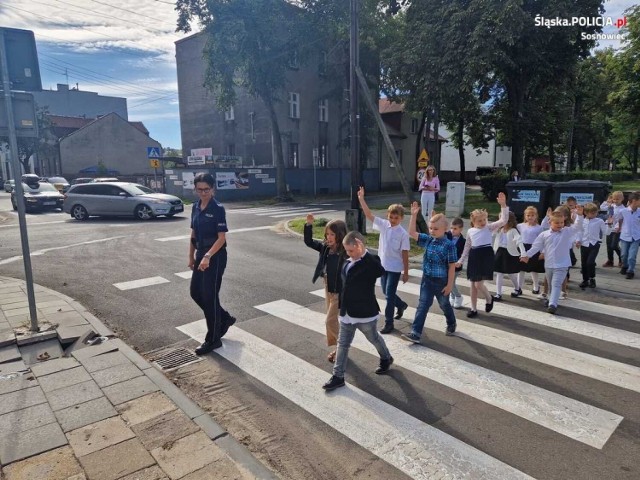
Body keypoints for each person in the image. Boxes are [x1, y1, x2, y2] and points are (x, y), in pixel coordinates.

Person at [322, 232, 394, 391]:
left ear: (361, 246)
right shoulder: (347, 262)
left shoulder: (371, 261)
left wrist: (365, 254)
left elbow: (379, 271)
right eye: (347, 250)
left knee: (374, 338)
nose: (349, 254)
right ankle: (338, 376)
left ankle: (386, 358)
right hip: (347, 313)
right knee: (342, 344)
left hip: (365, 313)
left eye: (352, 251)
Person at [189, 172, 235, 355]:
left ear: (212, 188)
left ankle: (213, 338)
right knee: (195, 293)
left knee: (209, 296)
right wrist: (191, 256)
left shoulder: (217, 208)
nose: (203, 193)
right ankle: (224, 318)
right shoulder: (195, 207)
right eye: (199, 190)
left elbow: (221, 238)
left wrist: (208, 256)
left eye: (206, 189)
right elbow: (192, 235)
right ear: (195, 189)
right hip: (201, 254)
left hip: (215, 256)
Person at [402, 205, 458, 343]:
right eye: (431, 228)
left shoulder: (449, 245)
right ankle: (415, 333)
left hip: (441, 281)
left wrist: (450, 285)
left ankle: (451, 323)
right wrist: (414, 215)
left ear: (445, 229)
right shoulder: (428, 240)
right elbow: (412, 232)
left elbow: (452, 267)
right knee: (423, 305)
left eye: (436, 229)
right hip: (427, 280)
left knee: (444, 305)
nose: (432, 231)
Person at [357, 187, 409, 334]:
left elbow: (405, 253)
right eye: (391, 217)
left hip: (395, 268)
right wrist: (361, 199)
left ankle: (389, 323)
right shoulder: (384, 225)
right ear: (388, 216)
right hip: (382, 266)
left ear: (401, 218)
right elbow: (368, 214)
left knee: (389, 296)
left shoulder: (403, 234)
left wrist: (405, 271)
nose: (393, 220)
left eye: (396, 218)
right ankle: (402, 305)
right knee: (387, 293)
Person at [521, 206, 584, 315]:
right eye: (557, 223)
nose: (560, 225)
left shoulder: (566, 231)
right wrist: (527, 255)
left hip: (562, 264)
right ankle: (551, 299)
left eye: (561, 223)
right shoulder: (544, 234)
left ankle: (552, 305)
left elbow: (577, 226)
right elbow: (536, 246)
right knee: (550, 284)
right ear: (550, 222)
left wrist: (579, 215)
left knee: (556, 284)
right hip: (549, 264)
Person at [456, 192, 509, 318]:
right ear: (473, 221)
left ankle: (489, 297)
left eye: (484, 219)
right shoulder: (470, 231)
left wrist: (503, 205)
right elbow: (467, 246)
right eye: (480, 220)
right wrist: (461, 260)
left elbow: (504, 220)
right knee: (473, 285)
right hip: (475, 256)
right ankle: (473, 309)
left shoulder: (489, 228)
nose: (483, 222)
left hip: (486, 255)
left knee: (478, 284)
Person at [304, 214, 348, 363]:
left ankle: (341, 349)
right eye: (327, 234)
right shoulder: (325, 248)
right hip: (328, 285)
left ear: (340, 235)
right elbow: (308, 242)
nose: (328, 237)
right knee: (333, 320)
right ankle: (339, 348)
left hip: (339, 290)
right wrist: (309, 225)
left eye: (332, 234)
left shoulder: (345, 252)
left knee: (330, 321)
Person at [492, 212, 527, 300]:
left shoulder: (513, 230)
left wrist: (523, 253)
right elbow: (490, 234)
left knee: (511, 274)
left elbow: (519, 241)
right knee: (499, 273)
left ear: (509, 220)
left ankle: (518, 288)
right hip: (500, 252)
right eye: (500, 219)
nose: (501, 221)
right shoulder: (499, 229)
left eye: (503, 219)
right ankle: (498, 294)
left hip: (510, 254)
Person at [577, 202, 608, 289]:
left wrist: (609, 224)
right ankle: (585, 280)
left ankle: (592, 278)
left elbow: (606, 231)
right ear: (586, 213)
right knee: (584, 263)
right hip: (584, 244)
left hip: (594, 244)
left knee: (590, 262)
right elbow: (579, 231)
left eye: (596, 212)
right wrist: (578, 240)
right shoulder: (582, 220)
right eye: (592, 213)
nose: (595, 214)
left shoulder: (599, 221)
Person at [611, 191, 640, 280]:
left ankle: (630, 271)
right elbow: (619, 219)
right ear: (633, 201)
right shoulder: (623, 211)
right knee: (624, 255)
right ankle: (625, 266)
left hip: (636, 237)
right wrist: (619, 227)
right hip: (625, 236)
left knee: (632, 256)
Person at [517, 206, 544, 295]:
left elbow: (541, 241)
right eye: (528, 215)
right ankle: (519, 287)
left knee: (534, 269)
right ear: (525, 216)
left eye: (532, 215)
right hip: (522, 248)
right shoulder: (520, 226)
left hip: (534, 249)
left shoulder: (539, 228)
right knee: (521, 269)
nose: (530, 217)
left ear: (536, 216)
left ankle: (536, 286)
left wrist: (542, 251)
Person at [446, 217, 466, 309]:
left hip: (456, 266)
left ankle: (458, 296)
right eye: (451, 228)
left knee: (451, 282)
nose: (452, 230)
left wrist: (459, 262)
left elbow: (463, 254)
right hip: (446, 264)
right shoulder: (447, 235)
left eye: (455, 228)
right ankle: (452, 297)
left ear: (461, 229)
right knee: (447, 281)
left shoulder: (463, 241)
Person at [601, 191, 625, 267]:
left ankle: (622, 259)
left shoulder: (623, 209)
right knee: (608, 245)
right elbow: (602, 207)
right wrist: (607, 201)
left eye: (617, 199)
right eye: (614, 199)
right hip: (609, 227)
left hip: (618, 229)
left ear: (622, 199)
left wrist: (619, 227)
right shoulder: (611, 205)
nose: (615, 200)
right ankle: (610, 261)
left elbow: (622, 219)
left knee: (614, 245)